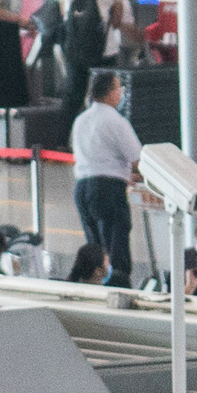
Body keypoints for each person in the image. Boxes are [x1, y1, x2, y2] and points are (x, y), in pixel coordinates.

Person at [64, 68, 137, 288]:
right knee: (116, 248)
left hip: (82, 188)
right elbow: (137, 159)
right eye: (118, 88)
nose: (121, 93)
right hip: (108, 189)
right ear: (109, 92)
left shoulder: (81, 120)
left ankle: (94, 285)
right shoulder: (115, 121)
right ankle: (119, 289)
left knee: (95, 250)